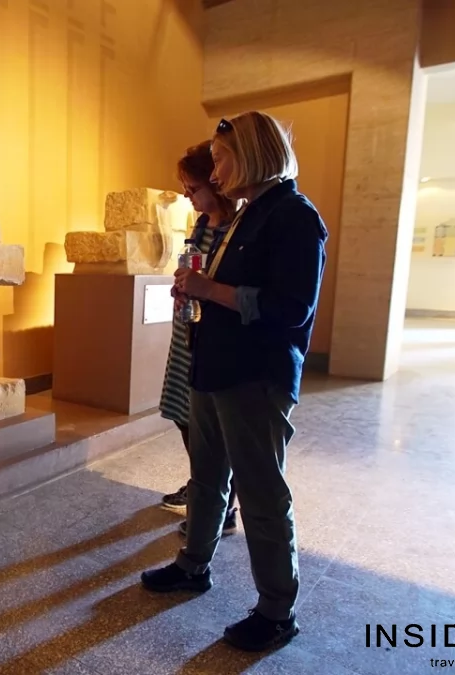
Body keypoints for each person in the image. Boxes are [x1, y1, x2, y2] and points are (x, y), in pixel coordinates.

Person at [140, 111, 328, 654]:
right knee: (206, 478)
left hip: (255, 375)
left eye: (220, 159)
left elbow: (291, 309)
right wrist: (198, 288)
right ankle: (193, 566)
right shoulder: (251, 213)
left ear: (251, 154)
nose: (214, 171)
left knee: (261, 494)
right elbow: (228, 287)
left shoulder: (294, 217)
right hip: (216, 365)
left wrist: (208, 289)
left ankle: (275, 612)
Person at [157, 141, 240, 538]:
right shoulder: (204, 223)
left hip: (214, 339)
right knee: (183, 415)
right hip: (187, 334)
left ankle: (221, 504)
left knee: (215, 430)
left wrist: (203, 288)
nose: (189, 199)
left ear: (217, 181)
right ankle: (204, 488)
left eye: (193, 190)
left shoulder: (239, 227)